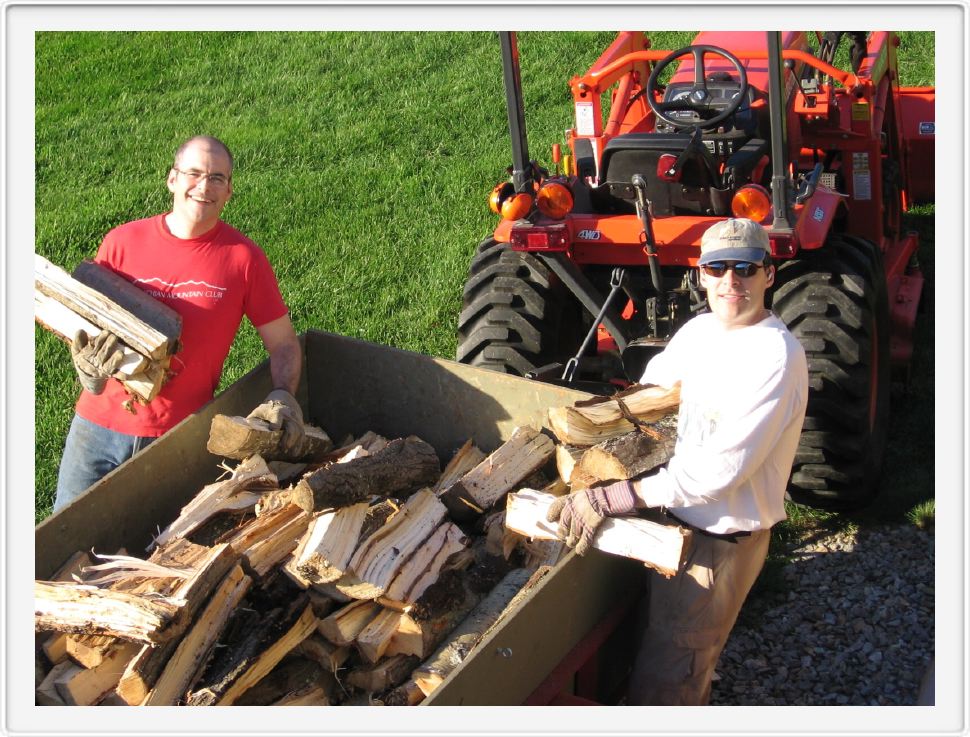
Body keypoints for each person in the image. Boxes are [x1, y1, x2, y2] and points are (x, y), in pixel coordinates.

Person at [548, 217, 809, 705]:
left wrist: (615, 495)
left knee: (671, 680)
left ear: (768, 275)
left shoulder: (775, 357)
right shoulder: (700, 332)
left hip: (715, 545)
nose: (731, 282)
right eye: (718, 269)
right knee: (648, 651)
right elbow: (653, 398)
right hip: (670, 520)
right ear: (701, 275)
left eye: (745, 269)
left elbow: (717, 474)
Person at [54, 135, 305, 512]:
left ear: (229, 191)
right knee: (65, 537)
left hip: (177, 437)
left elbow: (284, 343)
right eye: (194, 173)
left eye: (217, 178)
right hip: (97, 426)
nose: (204, 187)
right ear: (172, 179)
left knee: (158, 550)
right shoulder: (122, 242)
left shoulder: (243, 260)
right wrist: (88, 369)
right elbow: (87, 327)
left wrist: (283, 394)